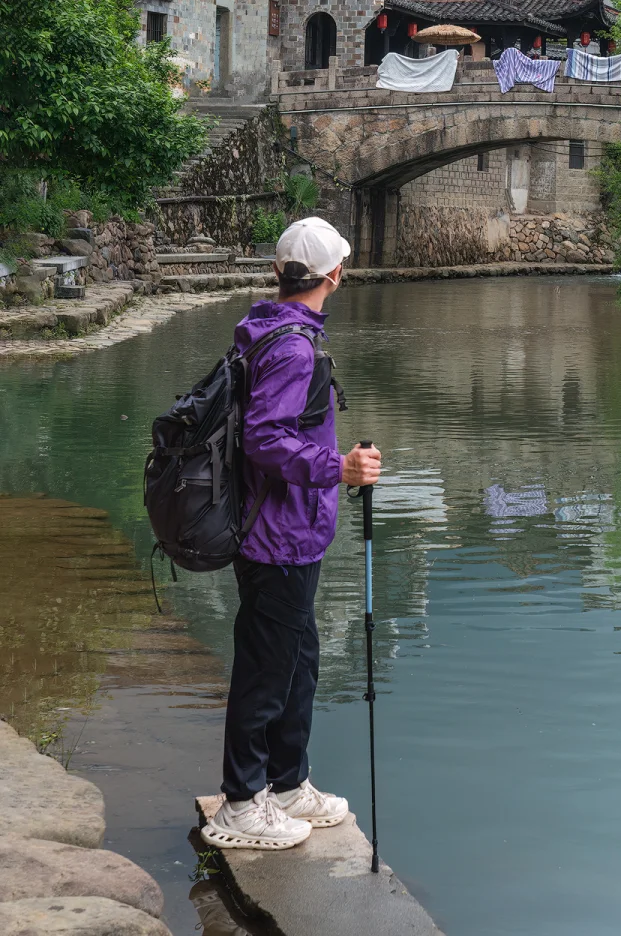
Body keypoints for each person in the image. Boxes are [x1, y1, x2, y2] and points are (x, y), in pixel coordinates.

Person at [201, 217, 382, 851]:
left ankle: (286, 783)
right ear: (336, 274)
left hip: (293, 533)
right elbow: (265, 440)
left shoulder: (271, 329)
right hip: (275, 537)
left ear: (280, 271)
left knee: (299, 662)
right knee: (266, 669)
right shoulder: (293, 348)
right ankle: (241, 803)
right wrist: (341, 468)